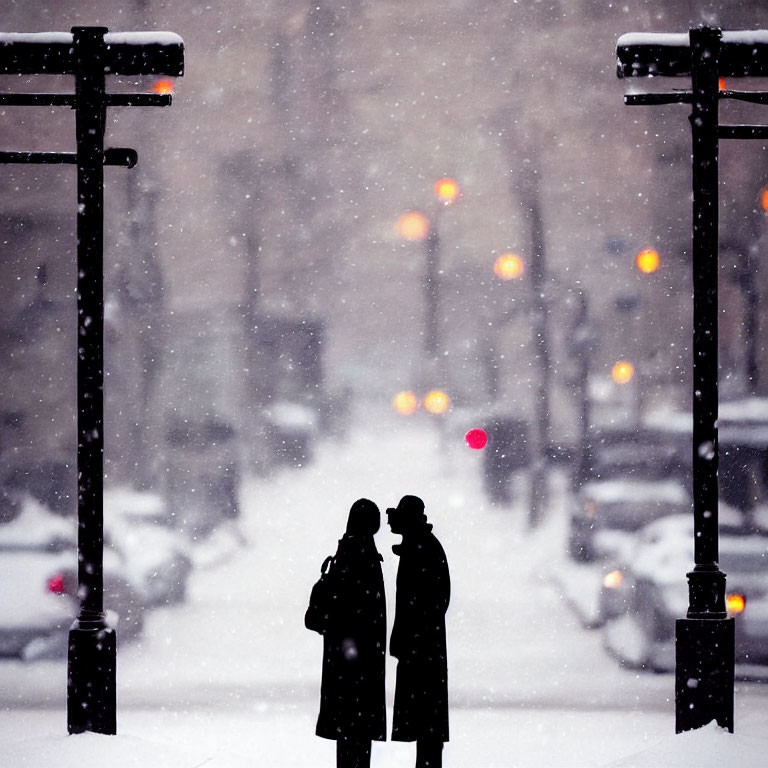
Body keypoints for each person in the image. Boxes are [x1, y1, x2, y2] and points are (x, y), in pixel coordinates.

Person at [315, 498, 387, 768]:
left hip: (345, 661)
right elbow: (360, 612)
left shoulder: (347, 553)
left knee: (349, 736)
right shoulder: (362, 556)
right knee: (356, 736)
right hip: (358, 663)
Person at [387, 495, 450, 768]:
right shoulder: (420, 546)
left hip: (422, 650)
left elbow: (434, 600)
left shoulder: (423, 548)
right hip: (423, 648)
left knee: (427, 725)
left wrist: (413, 636)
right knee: (427, 725)